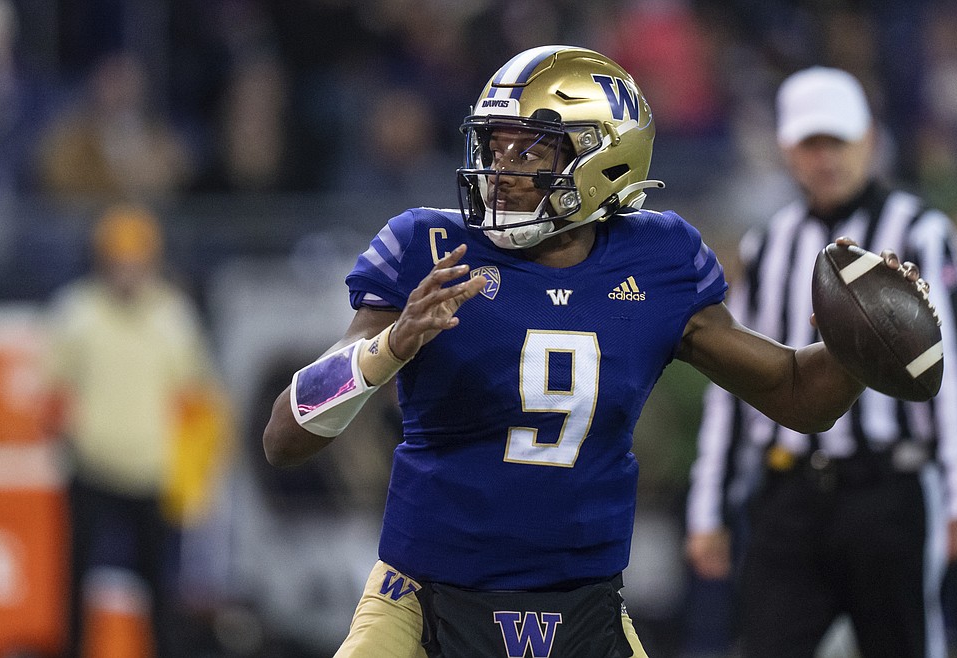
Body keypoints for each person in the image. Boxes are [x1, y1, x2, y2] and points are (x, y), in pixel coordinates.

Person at [262, 47, 922, 658]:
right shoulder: (428, 248)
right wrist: (389, 346)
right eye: (495, 144)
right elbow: (284, 436)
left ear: (604, 162)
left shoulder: (658, 261)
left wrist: (855, 346)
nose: (501, 172)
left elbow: (797, 396)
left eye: (530, 152)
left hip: (585, 608)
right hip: (424, 601)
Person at [685, 66, 957, 658]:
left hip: (889, 489)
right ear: (786, 149)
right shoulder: (769, 242)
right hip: (789, 492)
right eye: (811, 143)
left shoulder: (922, 233)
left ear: (870, 141)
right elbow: (734, 382)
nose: (826, 158)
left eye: (839, 141)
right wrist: (710, 505)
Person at [45, 203, 224, 658]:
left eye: (134, 262)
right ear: (102, 262)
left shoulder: (173, 317)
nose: (126, 272)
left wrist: (193, 481)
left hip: (153, 474)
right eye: (117, 262)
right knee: (72, 586)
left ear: (151, 262)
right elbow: (50, 390)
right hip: (90, 468)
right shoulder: (75, 312)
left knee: (162, 593)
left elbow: (198, 403)